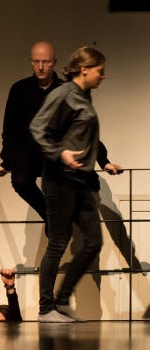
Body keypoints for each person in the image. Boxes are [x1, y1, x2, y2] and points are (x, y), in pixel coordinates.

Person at [30, 46, 114, 323]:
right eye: (100, 71)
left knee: (93, 242)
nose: (103, 76)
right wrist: (60, 153)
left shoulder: (84, 96)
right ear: (84, 69)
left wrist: (104, 161)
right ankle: (46, 309)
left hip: (82, 181)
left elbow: (87, 136)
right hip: (60, 180)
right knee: (58, 243)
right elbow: (37, 127)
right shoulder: (63, 94)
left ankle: (63, 299)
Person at [1, 42, 121, 235]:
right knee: (21, 180)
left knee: (65, 187)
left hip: (57, 153)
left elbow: (85, 129)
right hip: (28, 152)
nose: (40, 67)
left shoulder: (66, 89)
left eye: (46, 62)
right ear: (30, 62)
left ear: (54, 62)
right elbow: (10, 128)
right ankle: (51, 218)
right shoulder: (20, 89)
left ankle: (58, 224)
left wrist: (104, 161)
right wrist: (5, 160)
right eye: (36, 62)